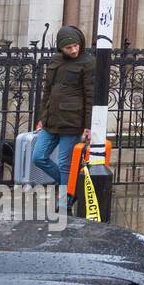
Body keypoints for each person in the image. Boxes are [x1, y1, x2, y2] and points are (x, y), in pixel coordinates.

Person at [32, 25, 93, 189]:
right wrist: (41, 118)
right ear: (61, 48)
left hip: (72, 121)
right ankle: (74, 186)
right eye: (68, 48)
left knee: (65, 163)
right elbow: (47, 91)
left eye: (76, 46)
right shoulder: (55, 60)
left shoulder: (87, 62)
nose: (73, 50)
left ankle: (65, 199)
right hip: (51, 120)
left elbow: (90, 96)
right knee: (38, 157)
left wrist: (88, 126)